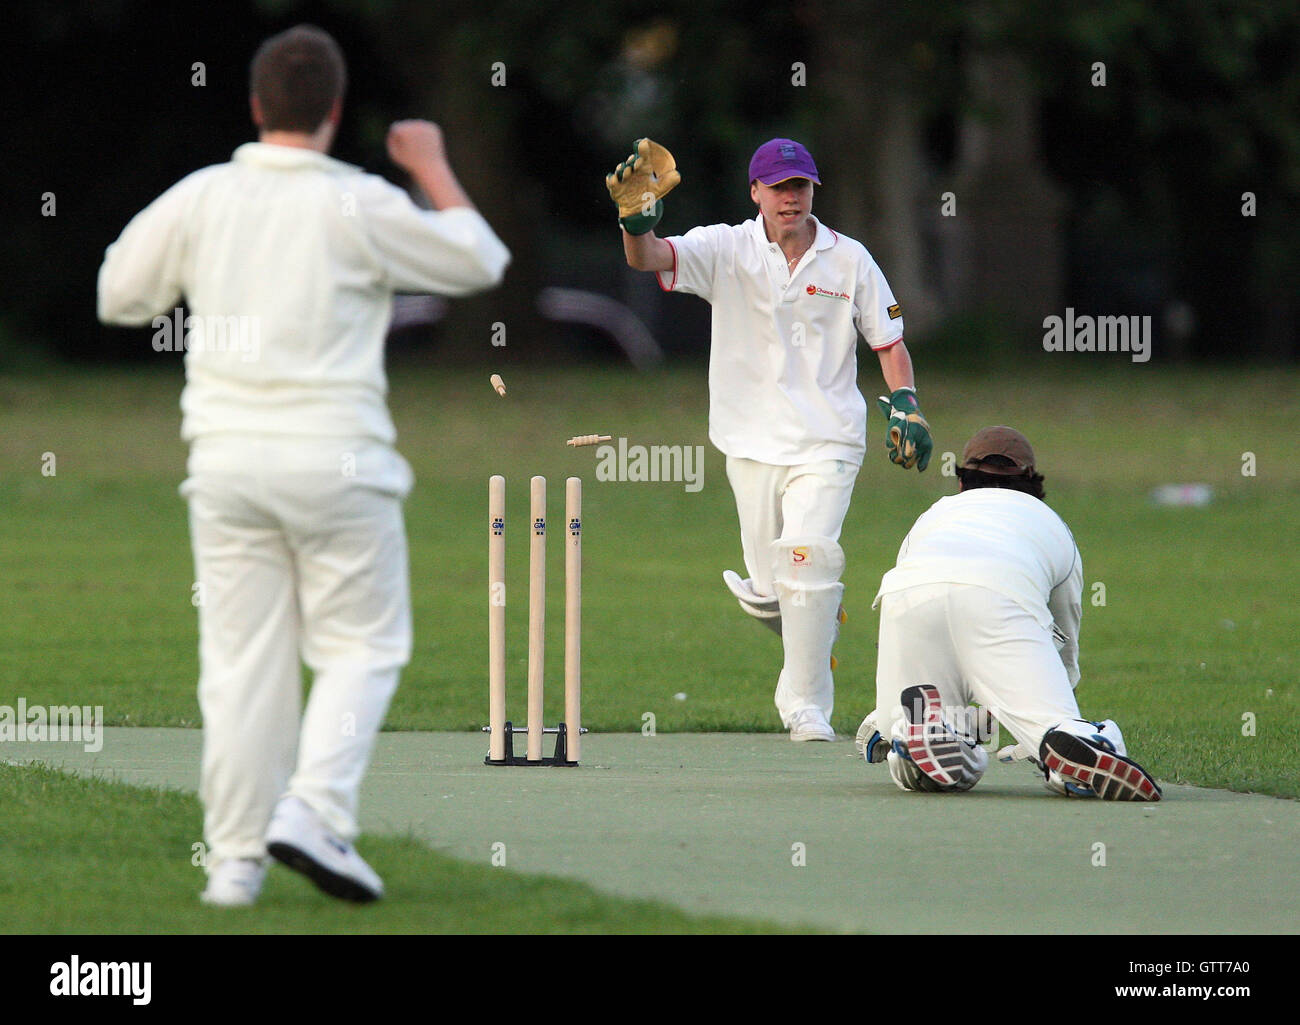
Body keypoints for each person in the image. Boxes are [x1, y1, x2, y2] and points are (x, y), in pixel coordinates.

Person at [97, 25, 511, 905]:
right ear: (333, 110)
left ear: (255, 106)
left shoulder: (204, 195)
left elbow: (118, 293)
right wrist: (430, 165)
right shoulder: (354, 199)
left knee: (243, 667)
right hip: (338, 461)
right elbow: (481, 260)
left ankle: (235, 866)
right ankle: (314, 810)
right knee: (363, 643)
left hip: (226, 463)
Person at [611, 137, 931, 742]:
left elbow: (888, 343)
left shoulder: (850, 258)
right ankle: (808, 624)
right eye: (779, 188)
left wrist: (907, 405)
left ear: (813, 192)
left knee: (807, 558)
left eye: (800, 187)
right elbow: (649, 258)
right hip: (749, 441)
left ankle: (805, 705)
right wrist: (635, 221)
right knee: (772, 592)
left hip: (829, 439)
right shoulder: (724, 247)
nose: (791, 199)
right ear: (755, 192)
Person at [854, 426, 1162, 801]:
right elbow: (1062, 641)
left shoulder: (934, 514)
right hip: (1001, 594)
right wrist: (1033, 715)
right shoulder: (1051, 523)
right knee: (1055, 728)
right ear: (1032, 482)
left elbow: (930, 604)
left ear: (963, 480)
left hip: (906, 597)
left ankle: (914, 732)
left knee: (922, 749)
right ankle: (1078, 741)